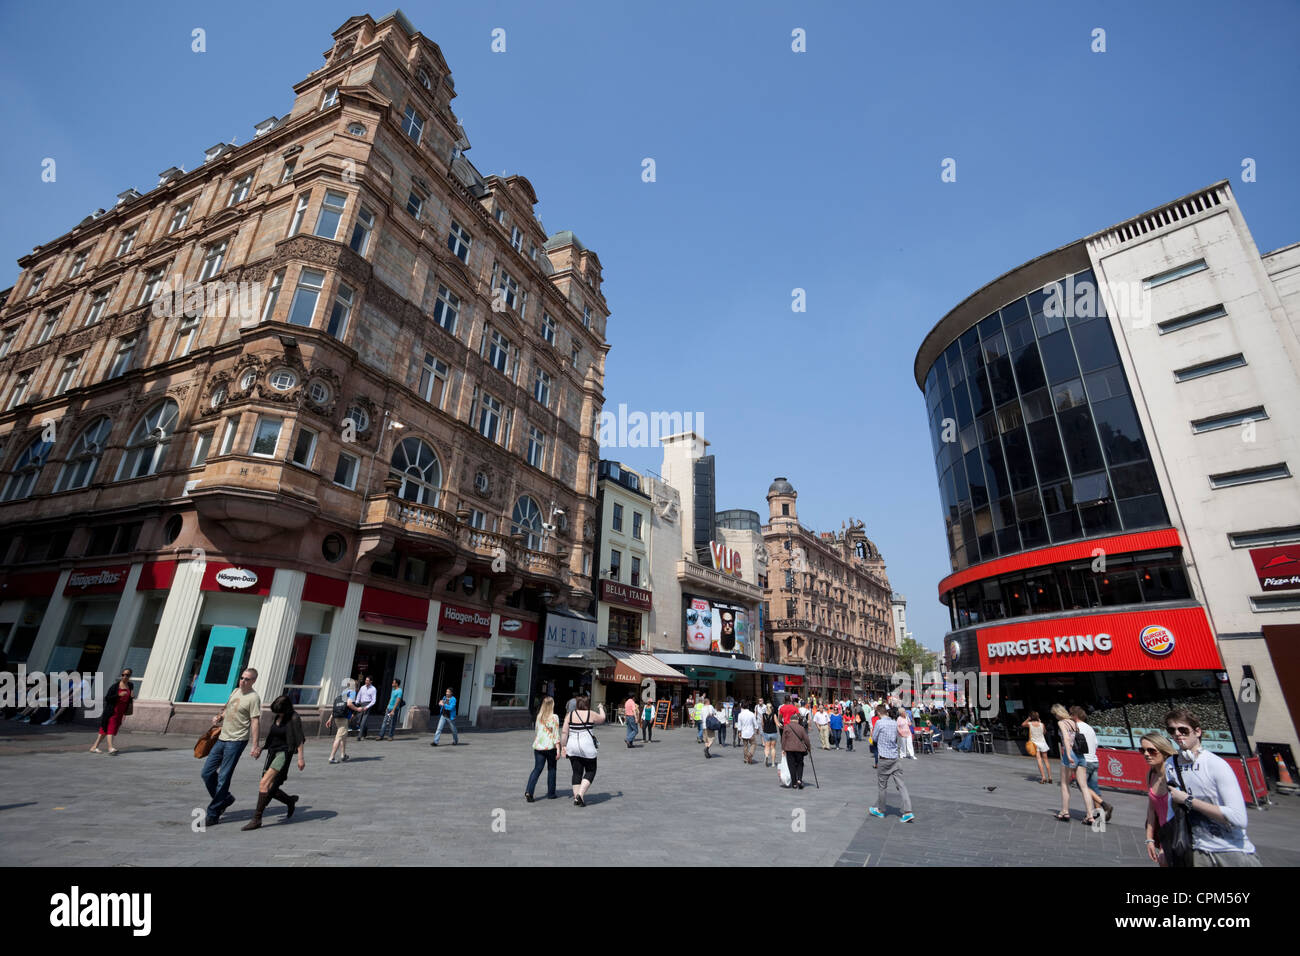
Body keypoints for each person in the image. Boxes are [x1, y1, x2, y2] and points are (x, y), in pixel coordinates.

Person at [1163, 708, 1260, 866]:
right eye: (1172, 730)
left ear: (1197, 732)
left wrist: (1188, 800)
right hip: (1197, 851)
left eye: (1183, 730)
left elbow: (1239, 818)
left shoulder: (1216, 764)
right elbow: (1171, 810)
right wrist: (1165, 847)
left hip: (1232, 851)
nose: (1178, 734)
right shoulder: (1170, 765)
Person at [200, 668, 262, 826]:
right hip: (222, 738)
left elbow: (255, 721)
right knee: (207, 773)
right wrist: (219, 716)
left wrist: (255, 745)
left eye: (247, 679)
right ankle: (225, 799)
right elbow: (227, 708)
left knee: (224, 776)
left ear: (253, 681)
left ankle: (213, 814)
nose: (243, 681)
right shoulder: (235, 691)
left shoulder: (253, 698)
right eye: (242, 678)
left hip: (237, 741)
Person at [242, 694, 305, 830]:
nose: (278, 714)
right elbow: (272, 736)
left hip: (283, 754)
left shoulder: (294, 718)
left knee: (264, 783)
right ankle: (289, 801)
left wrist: (300, 758)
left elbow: (299, 739)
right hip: (272, 752)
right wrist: (260, 748)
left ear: (286, 709)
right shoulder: (278, 716)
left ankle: (257, 819)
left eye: (279, 711)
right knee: (269, 787)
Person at [1051, 703, 1098, 823]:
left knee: (1064, 784)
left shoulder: (1061, 723)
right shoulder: (1073, 722)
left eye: (1054, 714)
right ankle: (1090, 815)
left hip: (1070, 754)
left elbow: (1066, 738)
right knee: (1084, 786)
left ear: (1057, 713)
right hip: (1081, 755)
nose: (1055, 716)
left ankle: (1065, 811)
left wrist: (1067, 753)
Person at [869, 706, 914, 822]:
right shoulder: (894, 723)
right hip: (895, 758)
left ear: (879, 713)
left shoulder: (879, 723)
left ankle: (881, 810)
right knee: (901, 785)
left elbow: (874, 738)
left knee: (882, 786)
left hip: (884, 759)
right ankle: (908, 811)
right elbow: (897, 737)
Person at [1141, 732, 1179, 866]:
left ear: (1164, 751)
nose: (1146, 754)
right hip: (1163, 835)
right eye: (1143, 750)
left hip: (1179, 835)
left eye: (1151, 751)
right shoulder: (1151, 774)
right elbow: (1151, 810)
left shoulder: (1175, 775)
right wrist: (1149, 839)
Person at [561, 695, 605, 806]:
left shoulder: (569, 715)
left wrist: (563, 746)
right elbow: (602, 718)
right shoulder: (591, 713)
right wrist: (600, 707)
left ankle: (576, 798)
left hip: (572, 746)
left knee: (576, 772)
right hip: (587, 746)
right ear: (587, 704)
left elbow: (564, 733)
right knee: (591, 770)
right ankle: (580, 795)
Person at [1070, 706, 1113, 822]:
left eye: (1070, 714)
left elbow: (1072, 744)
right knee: (1093, 788)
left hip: (1084, 760)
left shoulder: (1075, 727)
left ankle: (1104, 805)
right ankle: (1097, 815)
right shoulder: (1090, 728)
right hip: (1094, 759)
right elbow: (1095, 744)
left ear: (1075, 716)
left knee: (1082, 786)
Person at [88, 668, 134, 755]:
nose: (124, 677)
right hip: (112, 711)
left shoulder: (130, 685)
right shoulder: (115, 686)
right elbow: (107, 698)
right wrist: (118, 695)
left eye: (127, 675)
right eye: (123, 675)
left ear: (130, 676)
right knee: (110, 729)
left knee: (104, 731)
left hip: (121, 712)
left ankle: (94, 747)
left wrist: (131, 697)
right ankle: (110, 748)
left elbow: (129, 698)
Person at [525, 696, 560, 802]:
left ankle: (529, 791)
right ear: (552, 705)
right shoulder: (554, 717)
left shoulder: (539, 716)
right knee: (552, 769)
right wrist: (558, 748)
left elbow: (536, 731)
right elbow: (555, 734)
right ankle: (551, 793)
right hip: (550, 747)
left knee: (537, 769)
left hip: (539, 746)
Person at [325, 678, 359, 763]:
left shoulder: (343, 693)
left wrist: (330, 719)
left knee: (343, 736)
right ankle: (331, 757)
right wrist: (357, 709)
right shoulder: (352, 692)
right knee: (339, 737)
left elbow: (338, 707)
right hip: (343, 718)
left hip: (337, 717)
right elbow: (349, 704)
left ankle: (343, 754)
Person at [781, 711, 811, 789]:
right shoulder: (801, 728)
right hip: (799, 749)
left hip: (789, 749)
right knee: (800, 764)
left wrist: (783, 749)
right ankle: (799, 780)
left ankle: (794, 783)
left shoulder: (786, 727)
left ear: (790, 720)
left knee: (791, 766)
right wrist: (809, 748)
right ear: (797, 720)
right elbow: (806, 739)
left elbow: (783, 739)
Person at [1022, 711, 1053, 783]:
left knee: (1039, 760)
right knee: (1046, 760)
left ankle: (1043, 777)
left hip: (1035, 744)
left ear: (1031, 717)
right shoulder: (1042, 724)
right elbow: (1044, 732)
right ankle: (1050, 777)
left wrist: (1028, 719)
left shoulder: (1030, 724)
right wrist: (1040, 722)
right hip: (1042, 743)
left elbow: (1023, 724)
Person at [354, 675, 377, 740]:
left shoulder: (373, 689)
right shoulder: (362, 687)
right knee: (358, 721)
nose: (366, 681)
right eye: (365, 680)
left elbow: (374, 701)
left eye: (367, 680)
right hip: (361, 704)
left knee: (363, 721)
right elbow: (359, 695)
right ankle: (365, 729)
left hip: (368, 705)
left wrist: (367, 707)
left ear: (371, 681)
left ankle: (359, 736)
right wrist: (356, 702)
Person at [760, 698, 781, 766]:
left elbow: (762, 724)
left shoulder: (763, 715)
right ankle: (773, 763)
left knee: (767, 747)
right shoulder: (774, 715)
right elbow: (777, 723)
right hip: (773, 733)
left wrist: (763, 729)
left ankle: (766, 756)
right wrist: (781, 726)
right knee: (773, 748)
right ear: (771, 708)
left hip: (766, 732)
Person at [737, 700, 758, 764]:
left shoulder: (740, 714)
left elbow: (739, 725)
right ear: (748, 706)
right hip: (750, 732)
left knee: (745, 746)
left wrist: (739, 732)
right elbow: (755, 723)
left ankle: (746, 758)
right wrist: (757, 729)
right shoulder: (751, 714)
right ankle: (750, 754)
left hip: (744, 732)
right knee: (753, 744)